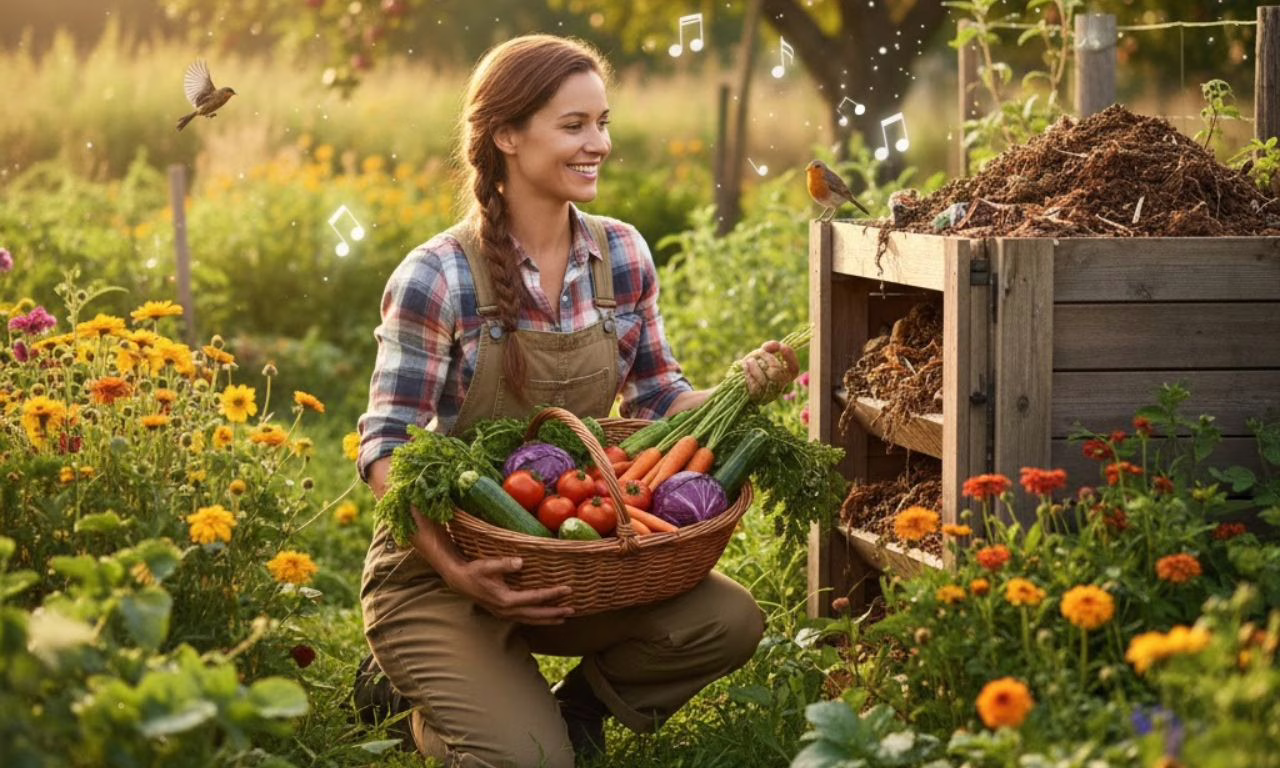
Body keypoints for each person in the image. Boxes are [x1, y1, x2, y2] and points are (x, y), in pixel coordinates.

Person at [354, 34, 799, 767]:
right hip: (440, 575)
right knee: (530, 764)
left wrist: (741, 391)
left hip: (576, 558)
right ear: (505, 135)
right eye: (574, 126)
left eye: (603, 122)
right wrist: (462, 572)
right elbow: (385, 455)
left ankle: (579, 713)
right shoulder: (437, 276)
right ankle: (419, 704)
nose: (599, 144)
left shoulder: (621, 254)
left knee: (728, 620)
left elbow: (661, 397)